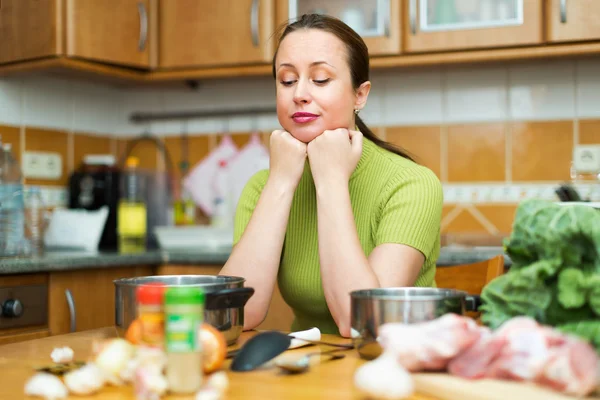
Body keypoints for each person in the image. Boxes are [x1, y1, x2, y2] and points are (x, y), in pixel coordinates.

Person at [219, 13, 443, 338]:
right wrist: (281, 182)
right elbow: (238, 314)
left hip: (395, 371)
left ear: (360, 95)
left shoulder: (411, 184)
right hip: (312, 372)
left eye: (320, 79)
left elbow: (363, 324)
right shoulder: (262, 186)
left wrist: (331, 181)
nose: (300, 94)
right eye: (287, 80)